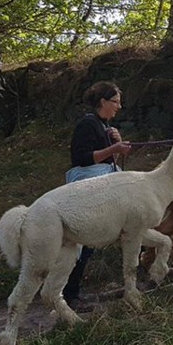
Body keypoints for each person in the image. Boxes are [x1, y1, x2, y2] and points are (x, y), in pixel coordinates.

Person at [62, 80, 132, 310]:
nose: (118, 107)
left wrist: (117, 143)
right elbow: (81, 158)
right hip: (89, 189)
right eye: (115, 102)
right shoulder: (87, 124)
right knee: (83, 242)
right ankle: (70, 296)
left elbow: (110, 159)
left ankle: (72, 294)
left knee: (89, 242)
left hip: (102, 185)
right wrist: (114, 149)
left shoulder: (103, 127)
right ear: (103, 102)